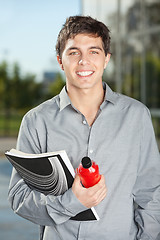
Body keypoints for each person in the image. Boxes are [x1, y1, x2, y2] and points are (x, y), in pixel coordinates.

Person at [8, 15, 160, 240]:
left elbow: (151, 192)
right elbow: (19, 197)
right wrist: (72, 202)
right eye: (73, 52)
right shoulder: (36, 121)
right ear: (60, 60)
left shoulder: (136, 116)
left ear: (106, 59)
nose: (84, 61)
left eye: (94, 51)